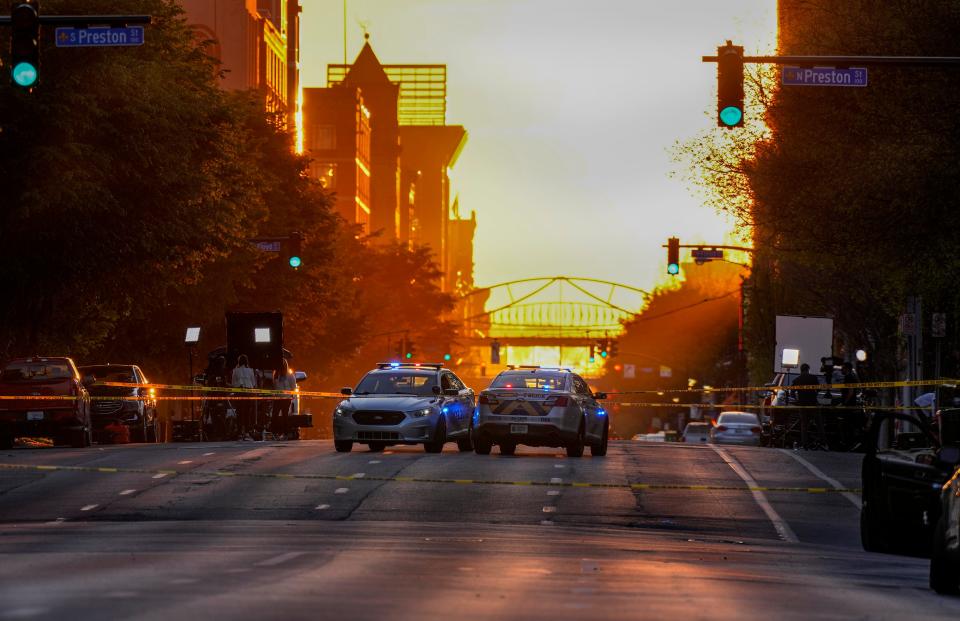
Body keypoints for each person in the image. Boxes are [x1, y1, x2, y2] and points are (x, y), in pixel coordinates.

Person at [792, 363, 821, 448]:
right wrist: (814, 395)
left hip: (803, 405)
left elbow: (792, 392)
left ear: (801, 370)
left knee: (804, 425)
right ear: (808, 369)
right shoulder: (813, 378)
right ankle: (822, 442)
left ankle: (805, 444)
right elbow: (819, 389)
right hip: (813, 404)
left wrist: (797, 401)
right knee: (819, 424)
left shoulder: (797, 380)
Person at [231, 354, 257, 440]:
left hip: (239, 392)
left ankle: (239, 432)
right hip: (248, 392)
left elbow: (233, 383)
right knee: (247, 413)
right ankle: (246, 432)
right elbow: (253, 383)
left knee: (239, 413)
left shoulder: (235, 370)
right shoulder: (250, 370)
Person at [272, 360, 297, 439]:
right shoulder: (275, 374)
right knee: (275, 415)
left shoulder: (290, 375)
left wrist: (291, 395)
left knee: (284, 415)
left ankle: (285, 433)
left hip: (286, 398)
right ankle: (275, 432)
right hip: (278, 398)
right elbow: (274, 386)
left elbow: (293, 387)